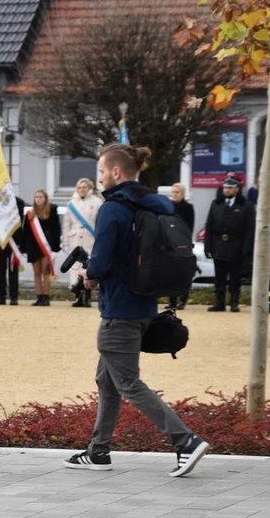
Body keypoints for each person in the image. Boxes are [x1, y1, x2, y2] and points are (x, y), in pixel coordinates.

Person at [68, 144, 209, 478]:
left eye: (101, 171)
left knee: (128, 383)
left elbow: (101, 261)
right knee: (107, 379)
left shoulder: (113, 208)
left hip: (119, 309)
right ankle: (98, 451)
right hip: (147, 304)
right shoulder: (154, 205)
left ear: (116, 173)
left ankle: (185, 441)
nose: (99, 177)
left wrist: (88, 275)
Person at [204, 176, 253, 312]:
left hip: (236, 245)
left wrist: (246, 248)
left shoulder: (245, 205)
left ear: (237, 189)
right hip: (219, 244)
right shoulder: (216, 204)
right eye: (225, 187)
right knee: (219, 277)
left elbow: (250, 229)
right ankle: (219, 302)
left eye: (230, 188)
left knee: (235, 277)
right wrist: (208, 246)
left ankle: (234, 302)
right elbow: (209, 227)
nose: (227, 190)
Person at [64, 178, 103, 307]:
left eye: (84, 187)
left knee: (88, 269)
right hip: (75, 240)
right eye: (79, 188)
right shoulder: (71, 204)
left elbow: (100, 222)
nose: (82, 190)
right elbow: (66, 225)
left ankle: (88, 297)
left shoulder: (97, 202)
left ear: (89, 188)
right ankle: (78, 297)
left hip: (90, 240)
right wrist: (65, 243)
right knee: (76, 270)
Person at [26, 190, 61, 306]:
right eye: (36, 197)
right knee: (36, 272)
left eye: (41, 197)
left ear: (45, 198)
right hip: (33, 247)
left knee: (45, 271)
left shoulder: (52, 212)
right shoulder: (30, 214)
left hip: (47, 246)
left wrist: (55, 249)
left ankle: (46, 297)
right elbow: (26, 232)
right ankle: (39, 296)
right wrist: (25, 249)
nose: (38, 199)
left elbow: (56, 230)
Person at [167, 183, 196, 309]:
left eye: (177, 192)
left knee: (183, 273)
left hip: (183, 243)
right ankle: (172, 301)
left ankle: (183, 299)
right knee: (169, 273)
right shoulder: (167, 207)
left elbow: (189, 226)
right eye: (173, 192)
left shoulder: (188, 208)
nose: (174, 194)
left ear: (183, 194)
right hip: (169, 243)